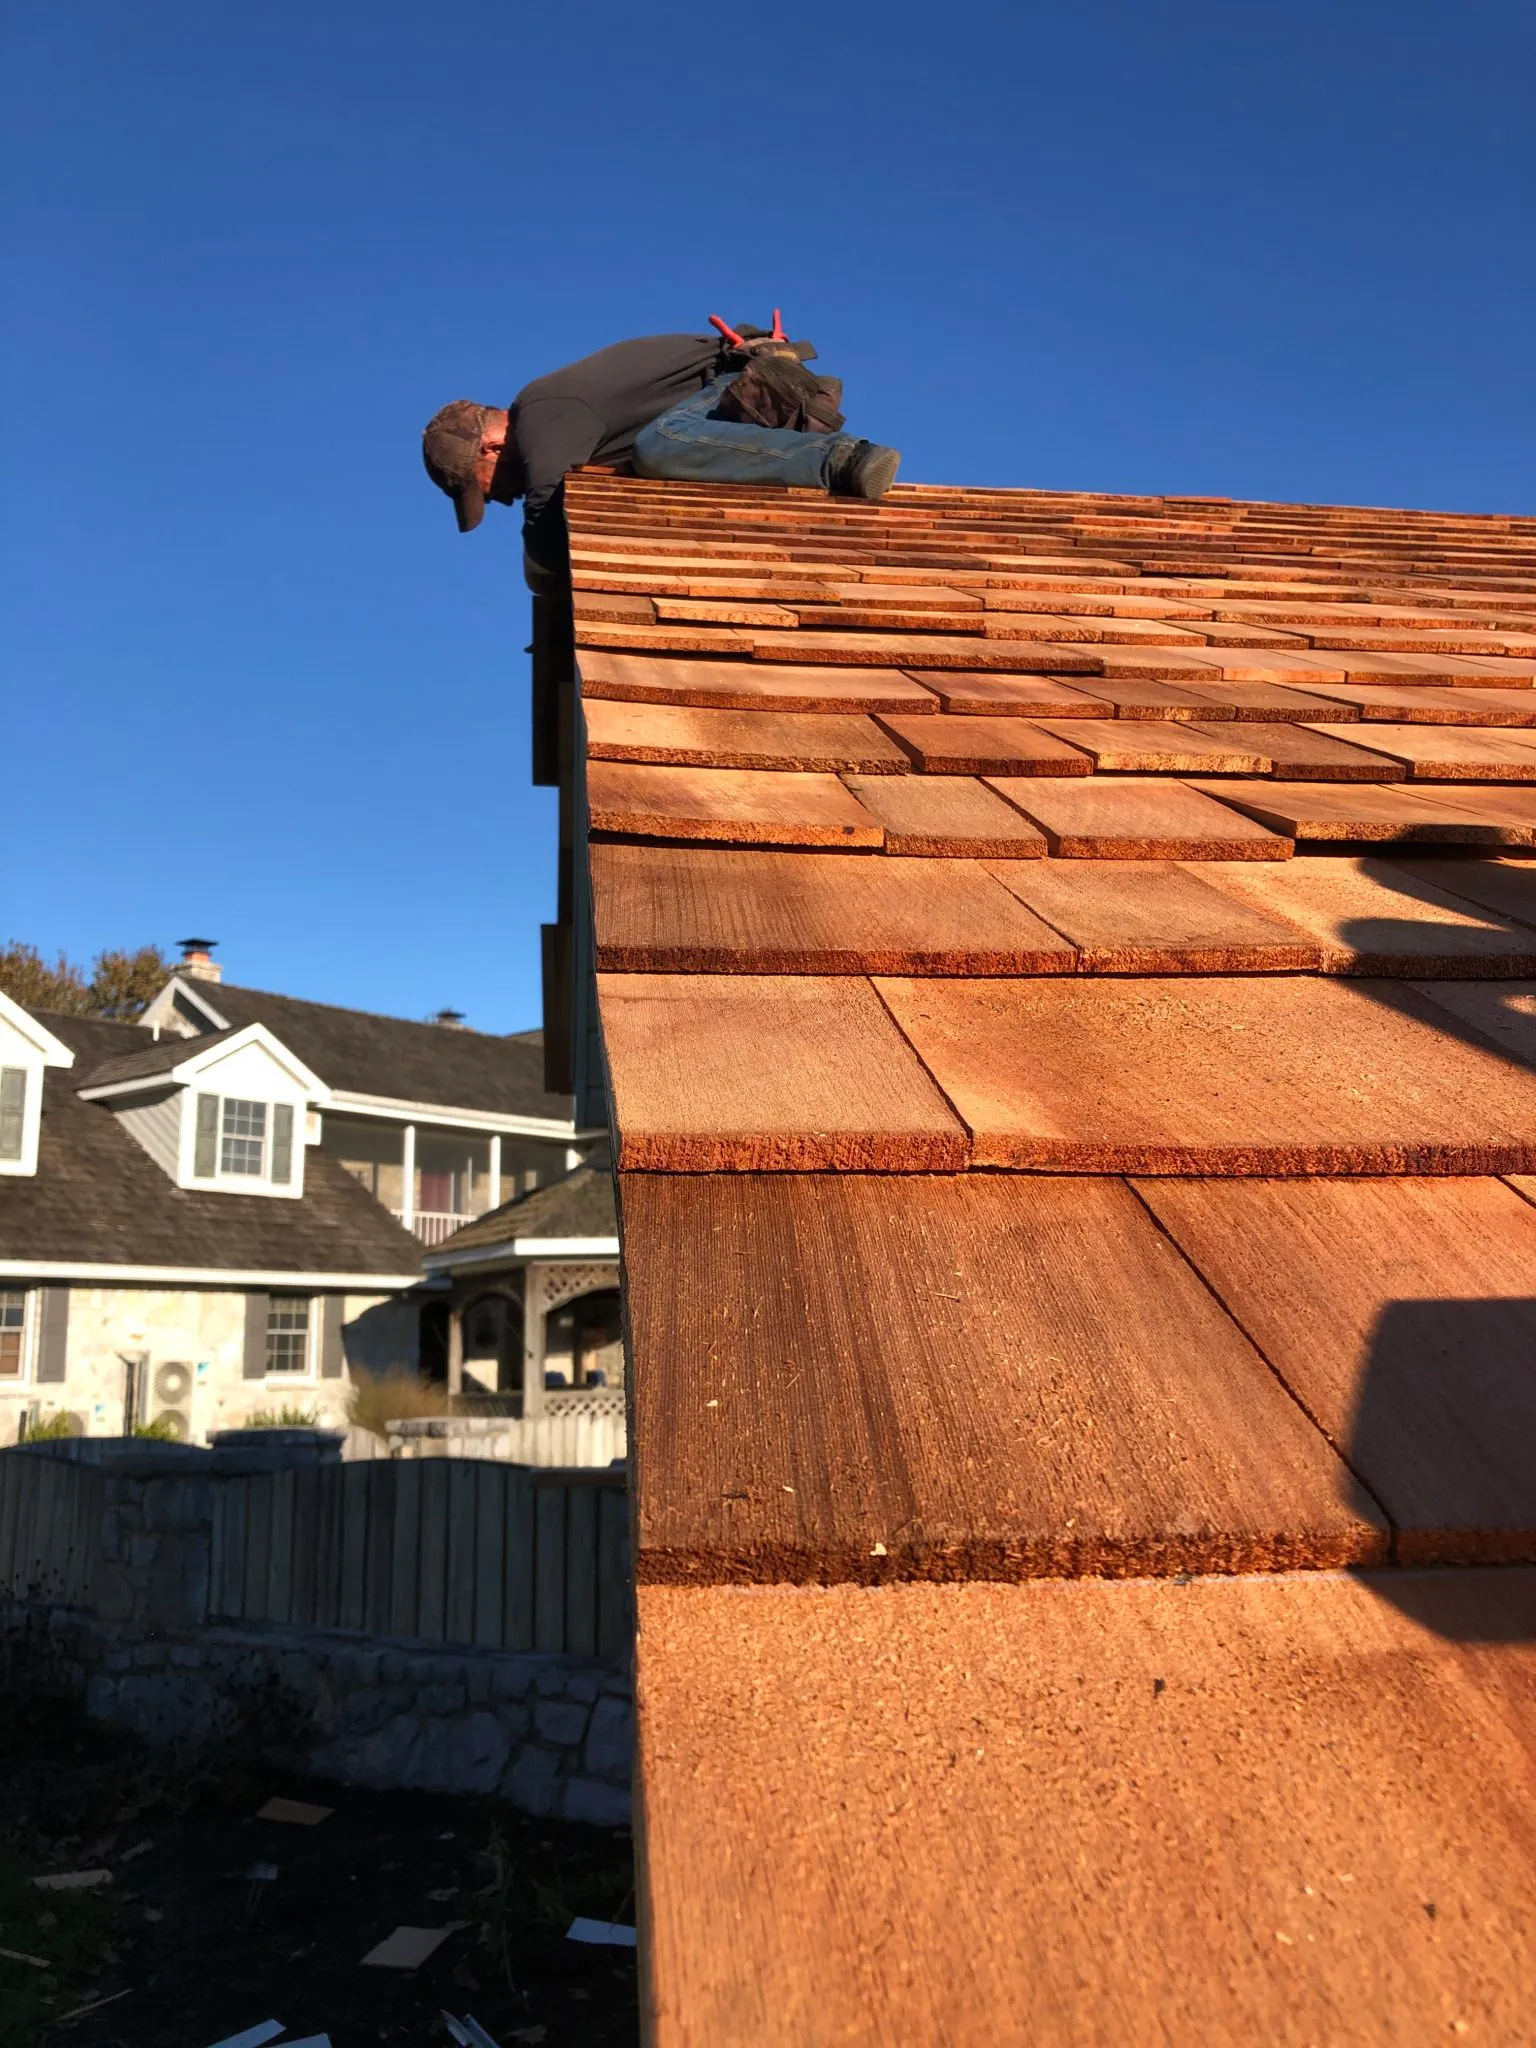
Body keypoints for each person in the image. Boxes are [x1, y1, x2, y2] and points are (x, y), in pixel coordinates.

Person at [421, 327, 901, 592]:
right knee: (650, 459)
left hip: (749, 386)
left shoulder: (540, 413)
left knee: (660, 446)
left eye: (484, 488)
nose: (501, 499)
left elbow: (547, 509)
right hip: (731, 410)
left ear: (492, 448)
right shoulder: (558, 426)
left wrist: (544, 575)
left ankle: (845, 459)